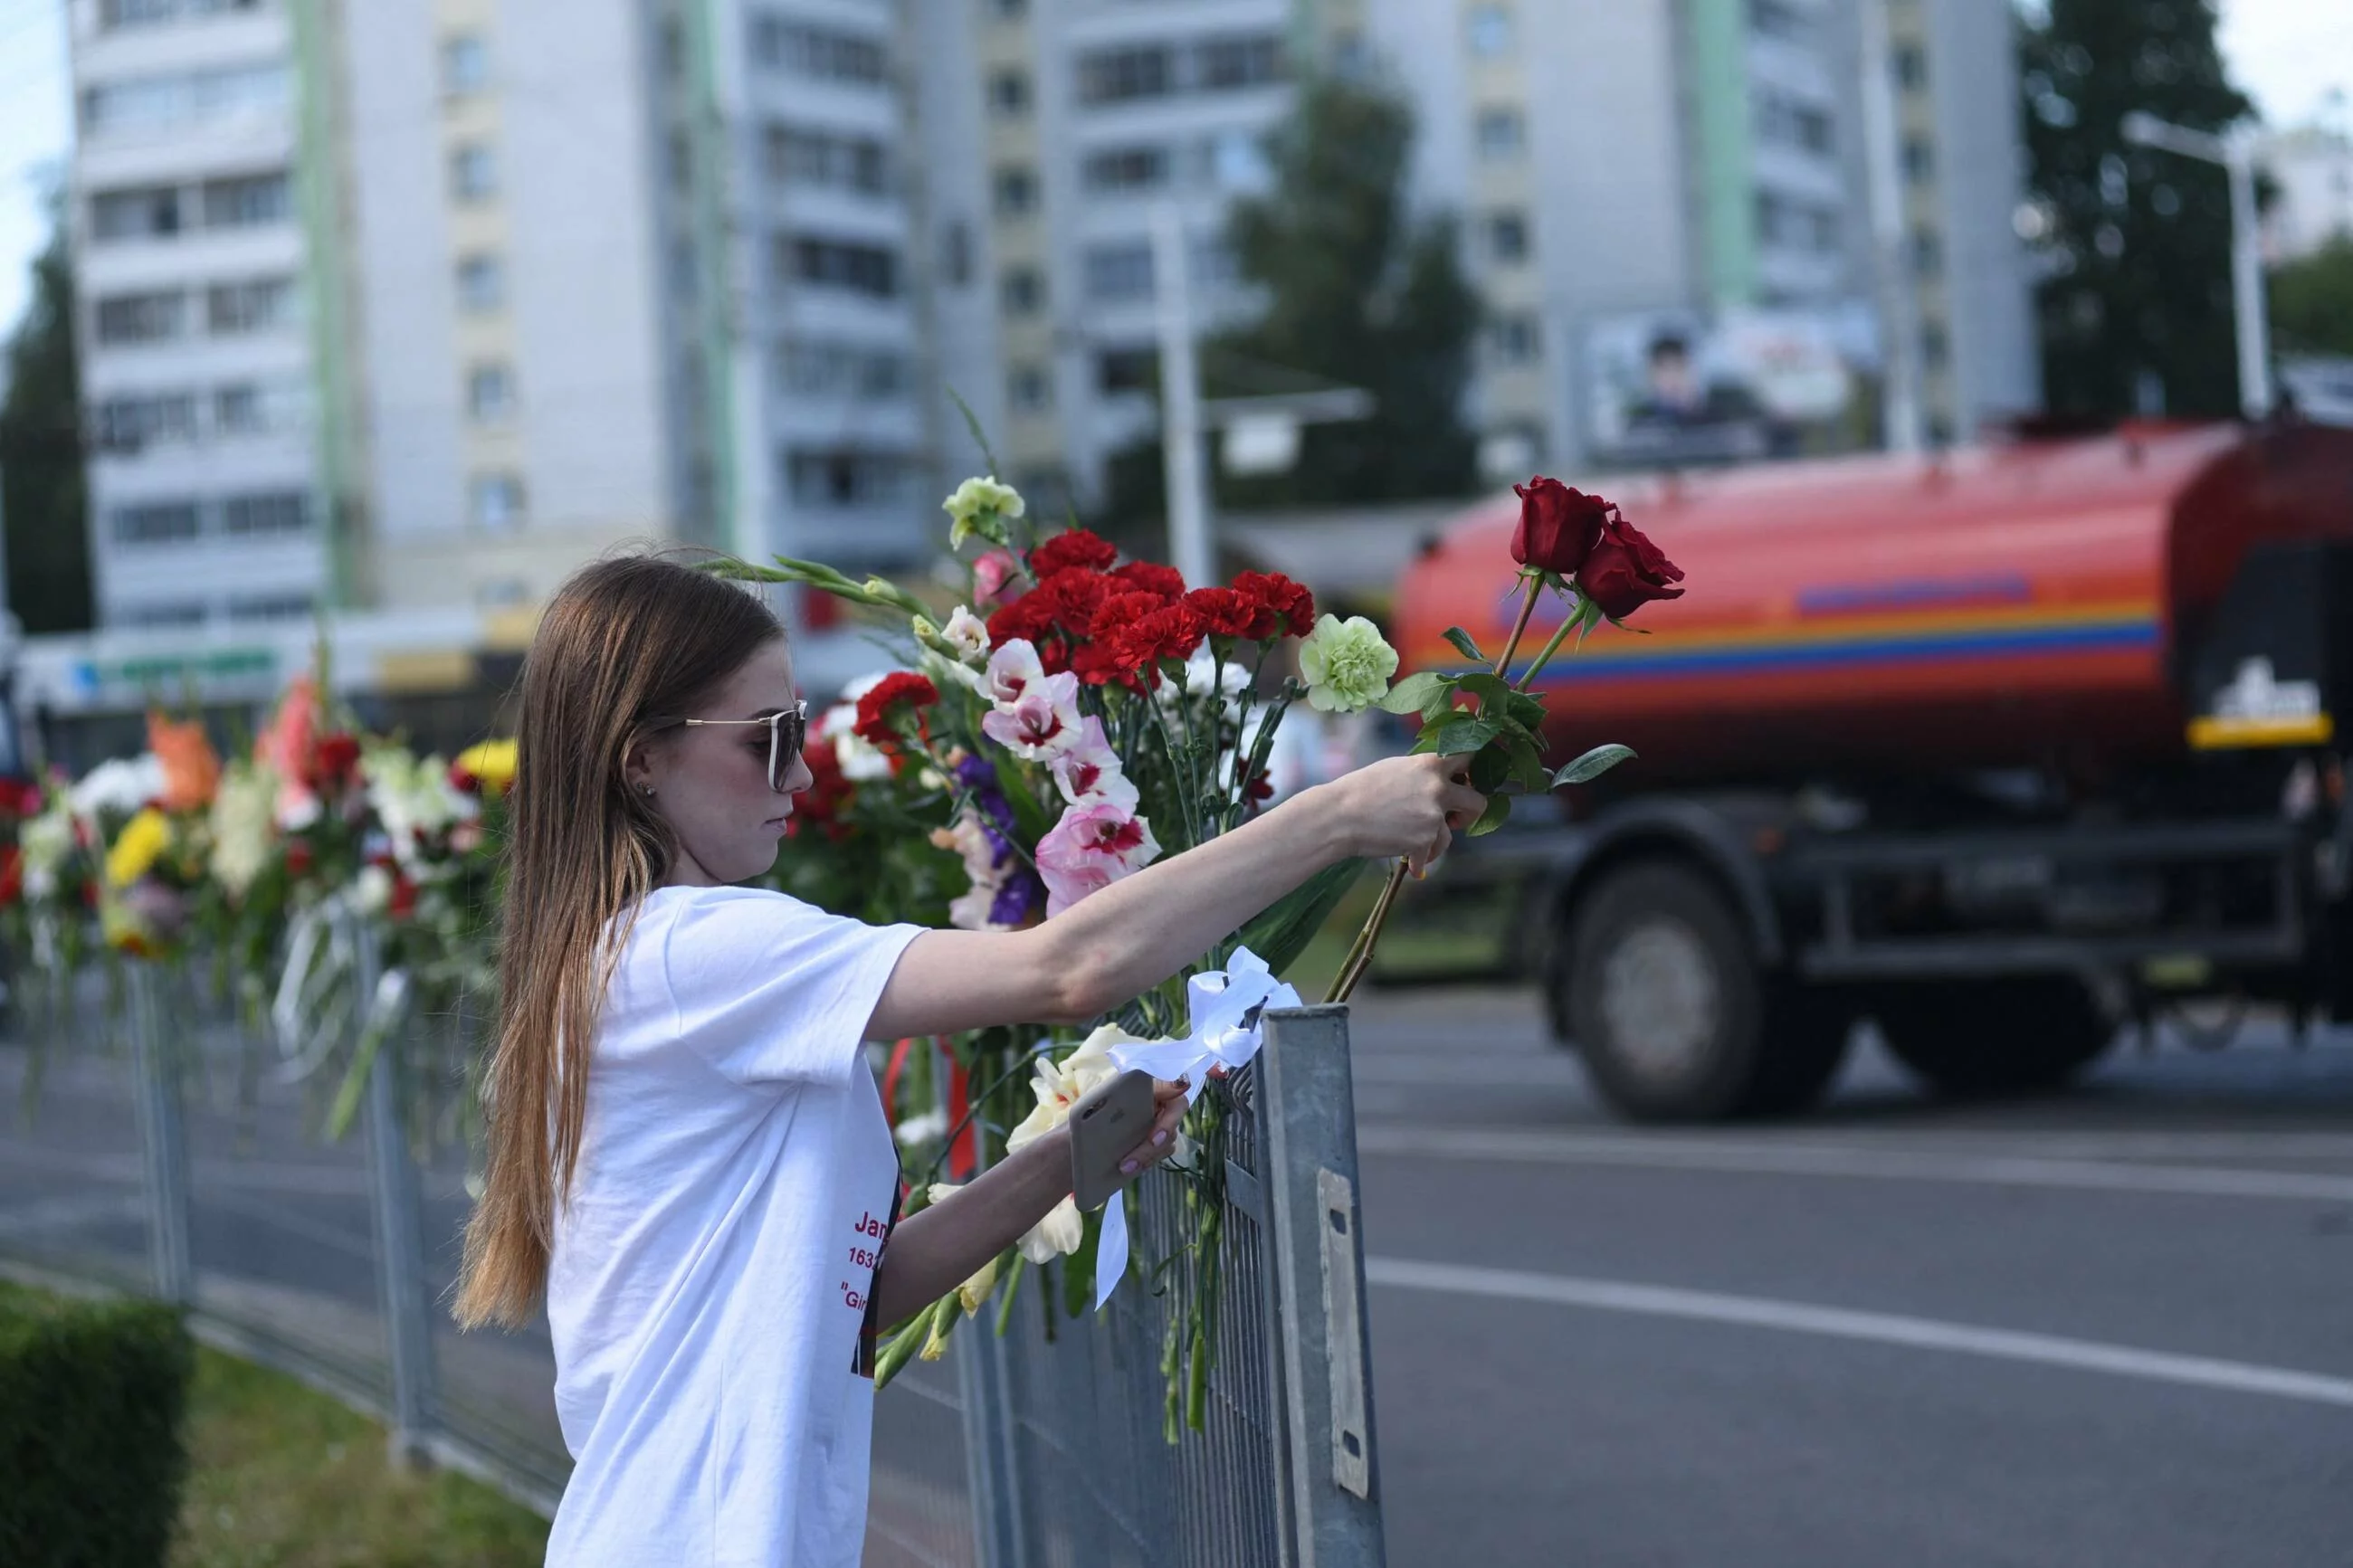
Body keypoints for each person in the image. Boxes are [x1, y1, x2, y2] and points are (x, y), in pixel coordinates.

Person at [450, 554, 1483, 1567]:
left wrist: (1057, 1163)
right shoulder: (687, 950)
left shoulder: (642, 961)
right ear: (641, 758)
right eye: (768, 740)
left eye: (798, 732)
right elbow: (1068, 967)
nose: (801, 773)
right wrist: (1338, 816)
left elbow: (854, 1293)